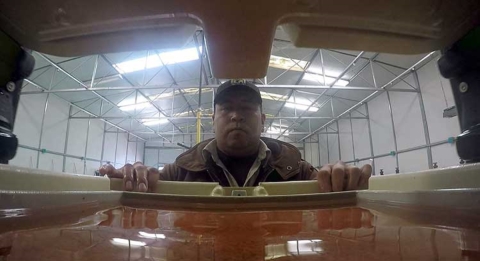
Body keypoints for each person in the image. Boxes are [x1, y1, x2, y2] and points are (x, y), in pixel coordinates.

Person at [100, 80, 372, 193]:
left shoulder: (297, 171)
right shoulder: (178, 171)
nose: (235, 116)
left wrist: (341, 177)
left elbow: (327, 185)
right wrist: (134, 177)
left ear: (263, 120)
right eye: (227, 108)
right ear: (213, 119)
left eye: (247, 109)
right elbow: (148, 184)